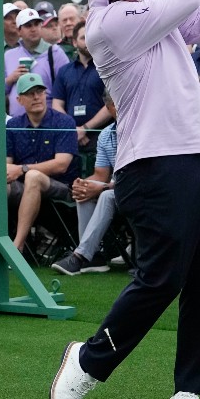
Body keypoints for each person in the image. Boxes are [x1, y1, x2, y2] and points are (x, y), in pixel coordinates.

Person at [50, 0, 200, 399]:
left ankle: (187, 393)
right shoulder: (109, 24)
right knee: (160, 281)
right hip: (153, 165)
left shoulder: (148, 9)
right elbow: (185, 0)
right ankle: (86, 365)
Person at [5, 73, 79, 252]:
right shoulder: (13, 124)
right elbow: (7, 165)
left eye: (40, 91)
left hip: (62, 186)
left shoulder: (64, 121)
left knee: (33, 176)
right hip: (24, 186)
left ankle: (18, 246)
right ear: (19, 99)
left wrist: (22, 169)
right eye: (30, 93)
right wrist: (13, 171)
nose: (36, 97)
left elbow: (61, 164)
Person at [51, 89, 120, 276]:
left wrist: (103, 187)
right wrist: (84, 184)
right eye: (117, 102)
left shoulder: (142, 129)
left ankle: (80, 256)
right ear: (108, 108)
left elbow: (139, 176)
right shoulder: (106, 135)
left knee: (105, 195)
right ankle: (95, 256)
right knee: (84, 193)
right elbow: (100, 175)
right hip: (118, 188)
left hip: (143, 188)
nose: (123, 106)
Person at [52, 21, 112, 153]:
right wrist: (73, 129)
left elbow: (112, 104)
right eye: (83, 38)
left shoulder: (107, 68)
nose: (88, 41)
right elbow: (56, 104)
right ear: (74, 42)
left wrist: (85, 128)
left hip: (102, 136)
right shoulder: (64, 71)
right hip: (70, 137)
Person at [4, 8, 70, 118]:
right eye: (28, 26)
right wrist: (10, 79)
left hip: (48, 122)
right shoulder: (8, 55)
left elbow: (67, 87)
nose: (33, 29)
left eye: (36, 24)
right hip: (17, 124)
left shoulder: (55, 52)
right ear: (19, 30)